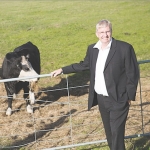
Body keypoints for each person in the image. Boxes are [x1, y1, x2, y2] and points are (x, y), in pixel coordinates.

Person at [51, 19, 139, 150]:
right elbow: (83, 65)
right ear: (97, 33)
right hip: (101, 99)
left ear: (111, 31)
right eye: (102, 32)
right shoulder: (93, 49)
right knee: (109, 133)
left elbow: (133, 73)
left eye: (107, 31)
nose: (105, 35)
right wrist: (63, 70)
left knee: (116, 133)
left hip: (119, 98)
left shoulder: (124, 48)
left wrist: (129, 97)